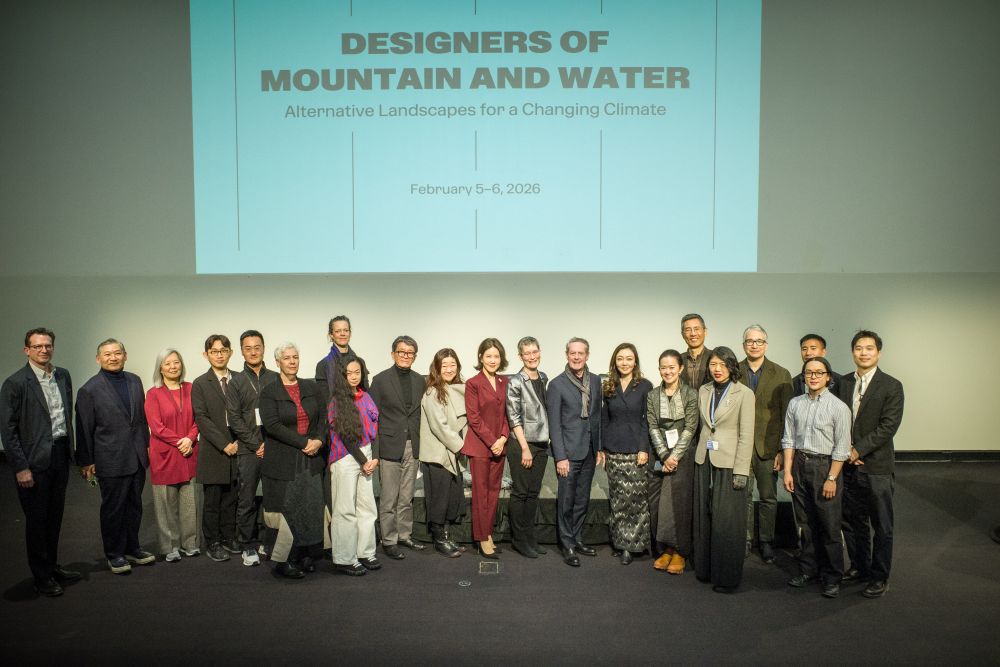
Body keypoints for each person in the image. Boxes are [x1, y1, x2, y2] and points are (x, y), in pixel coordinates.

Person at [0, 328, 81, 596]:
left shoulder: (62, 375)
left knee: (54, 517)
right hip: (33, 461)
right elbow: (8, 431)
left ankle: (52, 566)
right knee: (37, 521)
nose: (44, 350)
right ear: (27, 350)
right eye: (37, 346)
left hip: (59, 455)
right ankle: (41, 576)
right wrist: (21, 467)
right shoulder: (15, 383)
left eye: (47, 345)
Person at [75, 339, 154, 574]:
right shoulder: (89, 389)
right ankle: (114, 554)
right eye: (107, 354)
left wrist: (147, 446)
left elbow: (140, 420)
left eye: (117, 353)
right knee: (113, 509)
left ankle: (132, 547)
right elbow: (84, 428)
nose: (113, 357)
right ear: (98, 359)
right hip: (110, 458)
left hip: (136, 456)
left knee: (134, 506)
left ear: (125, 355)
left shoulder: (134, 380)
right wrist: (86, 461)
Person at [837, 330, 904, 599]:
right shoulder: (843, 383)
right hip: (848, 465)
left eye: (869, 348)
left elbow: (888, 426)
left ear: (879, 352)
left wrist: (858, 449)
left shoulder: (891, 385)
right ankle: (859, 567)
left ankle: (879, 576)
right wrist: (847, 451)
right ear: (852, 352)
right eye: (858, 348)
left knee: (882, 525)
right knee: (853, 522)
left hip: (877, 466)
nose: (863, 353)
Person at [782, 357, 853, 598]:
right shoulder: (795, 404)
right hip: (800, 465)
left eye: (819, 372)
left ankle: (832, 577)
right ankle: (808, 570)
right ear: (804, 376)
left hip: (826, 468)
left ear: (828, 377)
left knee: (830, 526)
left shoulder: (839, 408)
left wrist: (832, 478)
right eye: (809, 373)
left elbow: (842, 448)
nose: (813, 377)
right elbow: (789, 439)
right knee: (805, 524)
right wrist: (788, 471)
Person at [258, 342, 327, 579]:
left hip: (311, 459)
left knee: (310, 507)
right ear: (277, 362)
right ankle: (284, 560)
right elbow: (272, 425)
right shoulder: (269, 392)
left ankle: (306, 554)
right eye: (286, 358)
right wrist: (304, 442)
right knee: (287, 508)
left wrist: (319, 440)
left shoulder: (311, 387)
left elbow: (323, 418)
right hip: (283, 460)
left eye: (295, 357)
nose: (292, 362)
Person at [692, 346, 755, 592]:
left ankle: (727, 577)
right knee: (705, 516)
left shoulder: (744, 393)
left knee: (727, 522)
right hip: (704, 459)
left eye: (722, 364)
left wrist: (741, 471)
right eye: (713, 364)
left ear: (731, 366)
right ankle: (705, 570)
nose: (717, 369)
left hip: (730, 463)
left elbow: (746, 436)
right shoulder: (704, 390)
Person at [738, 324, 792, 564]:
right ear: (744, 345)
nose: (754, 345)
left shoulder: (781, 373)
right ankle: (745, 539)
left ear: (766, 345)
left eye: (759, 341)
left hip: (768, 447)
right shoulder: (734, 371)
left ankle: (767, 541)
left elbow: (787, 415)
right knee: (743, 495)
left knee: (768, 497)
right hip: (740, 445)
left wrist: (781, 450)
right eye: (750, 341)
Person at [546, 337, 602, 567]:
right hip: (568, 453)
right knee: (566, 501)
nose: (576, 357)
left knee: (582, 500)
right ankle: (567, 543)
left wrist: (599, 448)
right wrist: (560, 457)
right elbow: (554, 424)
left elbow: (597, 417)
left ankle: (577, 538)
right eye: (573, 353)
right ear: (567, 355)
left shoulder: (596, 381)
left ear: (587, 355)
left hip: (589, 450)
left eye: (581, 353)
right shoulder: (556, 384)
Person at [369, 335, 426, 559]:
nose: (405, 356)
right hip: (389, 445)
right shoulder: (380, 380)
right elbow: (373, 418)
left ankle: (404, 535)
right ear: (393, 354)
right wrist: (375, 452)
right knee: (389, 498)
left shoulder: (420, 380)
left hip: (413, 445)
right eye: (401, 352)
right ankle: (389, 540)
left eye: (410, 353)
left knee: (406, 497)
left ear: (415, 356)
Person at [226, 329, 279, 566]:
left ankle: (270, 542)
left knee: (273, 498)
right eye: (248, 348)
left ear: (264, 349)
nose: (253, 352)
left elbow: (282, 413)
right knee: (246, 498)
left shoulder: (275, 378)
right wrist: (256, 444)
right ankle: (247, 544)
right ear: (241, 351)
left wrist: (269, 443)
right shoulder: (236, 382)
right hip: (249, 449)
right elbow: (234, 418)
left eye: (257, 347)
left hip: (275, 447)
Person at [599, 343, 653, 565]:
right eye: (620, 358)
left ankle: (633, 545)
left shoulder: (645, 386)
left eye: (629, 359)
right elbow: (604, 419)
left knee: (635, 500)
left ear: (635, 361)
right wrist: (602, 448)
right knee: (618, 499)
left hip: (635, 450)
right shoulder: (608, 385)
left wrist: (644, 448)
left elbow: (647, 420)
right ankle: (620, 542)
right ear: (615, 361)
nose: (624, 363)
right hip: (613, 450)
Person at [646, 349, 699, 575]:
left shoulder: (691, 394)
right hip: (660, 455)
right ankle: (665, 549)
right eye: (663, 367)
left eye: (671, 367)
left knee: (679, 503)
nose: (667, 371)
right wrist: (664, 455)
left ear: (680, 368)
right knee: (658, 503)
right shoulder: (652, 395)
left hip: (683, 455)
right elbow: (652, 426)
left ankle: (680, 551)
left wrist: (674, 456)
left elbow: (690, 427)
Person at [327, 354, 381, 575]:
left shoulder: (366, 397)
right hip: (346, 457)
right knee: (345, 509)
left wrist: (374, 458)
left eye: (357, 372)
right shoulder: (336, 402)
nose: (353, 376)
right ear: (342, 376)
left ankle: (365, 552)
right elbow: (345, 437)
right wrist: (363, 461)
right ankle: (345, 558)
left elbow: (377, 427)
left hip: (367, 455)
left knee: (367, 508)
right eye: (349, 373)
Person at [144, 348, 200, 563]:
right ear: (160, 368)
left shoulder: (191, 388)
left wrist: (190, 438)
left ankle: (190, 543)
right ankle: (169, 546)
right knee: (165, 504)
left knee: (189, 502)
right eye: (167, 363)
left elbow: (199, 418)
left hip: (189, 452)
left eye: (176, 362)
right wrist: (181, 441)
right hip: (165, 454)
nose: (173, 367)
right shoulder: (153, 393)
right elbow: (156, 427)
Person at [191, 334, 240, 562]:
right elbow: (202, 418)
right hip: (214, 450)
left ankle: (228, 537)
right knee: (212, 501)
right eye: (214, 351)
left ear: (230, 352)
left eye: (223, 350)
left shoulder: (239, 379)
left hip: (239, 447)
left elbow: (248, 413)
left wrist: (240, 442)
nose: (219, 355)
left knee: (231, 498)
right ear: (206, 355)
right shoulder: (200, 383)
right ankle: (212, 542)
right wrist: (224, 444)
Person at [461, 338, 510, 559]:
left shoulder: (504, 381)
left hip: (500, 445)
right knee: (481, 494)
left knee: (493, 492)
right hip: (481, 447)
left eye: (496, 356)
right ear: (481, 357)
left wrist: (503, 437)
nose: (493, 360)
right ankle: (481, 537)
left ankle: (488, 532)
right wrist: (493, 441)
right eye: (488, 356)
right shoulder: (473, 383)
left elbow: (508, 413)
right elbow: (474, 418)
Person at [419, 349, 467, 558]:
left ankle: (447, 536)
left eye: (452, 365)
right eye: (444, 365)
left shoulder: (460, 388)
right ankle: (439, 540)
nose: (449, 369)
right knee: (439, 499)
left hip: (454, 453)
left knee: (451, 498)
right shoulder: (432, 392)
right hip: (438, 455)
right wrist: (462, 447)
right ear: (437, 369)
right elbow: (440, 427)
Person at [505, 336, 550, 558]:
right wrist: (524, 448)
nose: (532, 357)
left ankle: (530, 537)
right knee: (521, 493)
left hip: (541, 443)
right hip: (522, 444)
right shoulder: (515, 381)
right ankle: (519, 540)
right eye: (527, 353)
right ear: (520, 356)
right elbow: (513, 417)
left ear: (539, 351)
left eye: (535, 352)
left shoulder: (543, 377)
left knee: (533, 493)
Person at [316, 315, 370, 395]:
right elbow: (323, 398)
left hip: (360, 403)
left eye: (346, 330)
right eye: (338, 331)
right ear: (331, 335)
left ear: (350, 333)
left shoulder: (360, 362)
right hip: (334, 403)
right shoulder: (323, 365)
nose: (342, 334)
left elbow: (366, 392)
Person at [680, 314, 713, 389]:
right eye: (688, 330)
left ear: (705, 331)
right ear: (682, 334)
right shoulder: (677, 360)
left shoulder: (715, 358)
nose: (693, 334)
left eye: (696, 329)